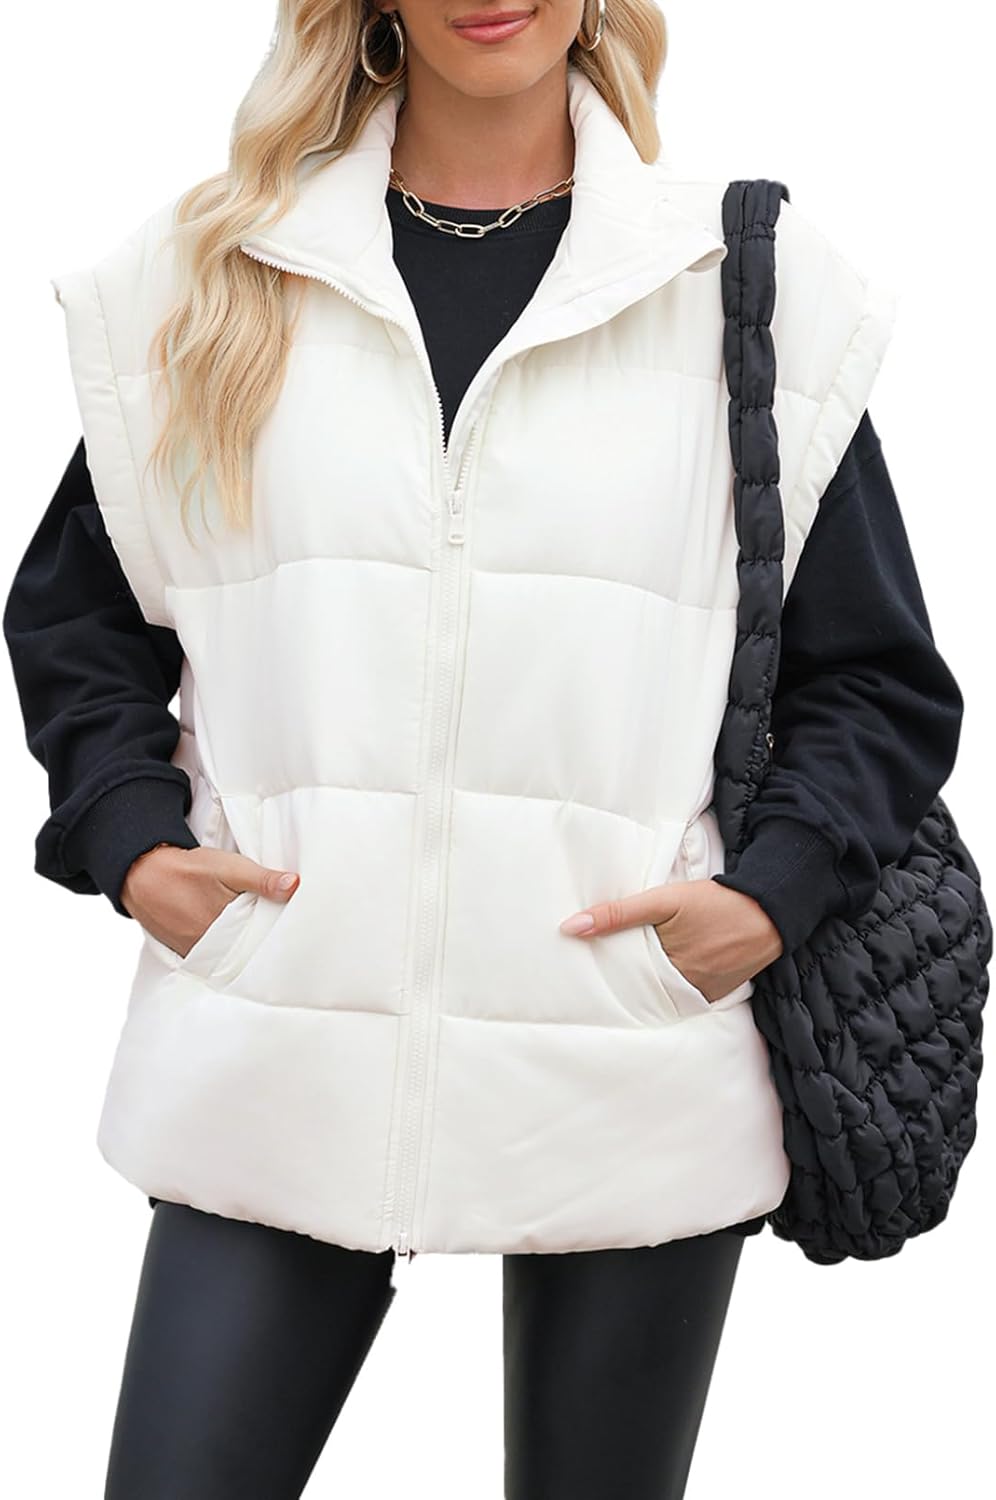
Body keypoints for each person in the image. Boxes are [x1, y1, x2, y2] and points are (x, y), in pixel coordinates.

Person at [3, 3, 965, 1497]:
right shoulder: (217, 274)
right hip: (284, 1037)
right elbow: (83, 615)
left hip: (627, 1050)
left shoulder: (740, 286)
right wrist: (133, 842)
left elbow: (877, 682)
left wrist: (768, 899)